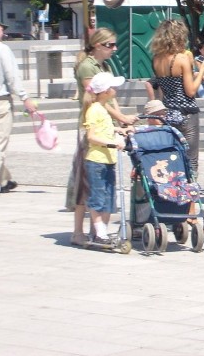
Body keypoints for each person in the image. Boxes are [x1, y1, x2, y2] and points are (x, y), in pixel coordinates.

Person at [68, 28, 137, 246]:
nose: (114, 49)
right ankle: (79, 232)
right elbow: (99, 101)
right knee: (85, 184)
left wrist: (121, 121)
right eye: (109, 45)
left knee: (99, 186)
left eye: (115, 45)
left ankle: (97, 231)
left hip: (104, 128)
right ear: (97, 45)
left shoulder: (103, 66)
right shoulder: (88, 66)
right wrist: (121, 119)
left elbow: (110, 99)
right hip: (92, 128)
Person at [150, 19, 204, 179]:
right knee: (190, 163)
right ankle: (190, 200)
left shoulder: (156, 59)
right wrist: (203, 71)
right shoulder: (181, 59)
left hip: (168, 113)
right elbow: (190, 91)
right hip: (187, 113)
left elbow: (163, 89)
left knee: (172, 160)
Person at [0, 18, 37, 199]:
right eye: (1, 29)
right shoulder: (2, 49)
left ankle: (4, 180)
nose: (3, 33)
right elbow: (12, 76)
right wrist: (25, 97)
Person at [83, 72, 128, 244]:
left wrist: (119, 131)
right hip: (97, 160)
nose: (115, 89)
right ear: (105, 91)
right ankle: (100, 233)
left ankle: (102, 232)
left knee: (109, 197)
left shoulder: (102, 109)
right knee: (98, 197)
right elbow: (92, 137)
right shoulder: (94, 110)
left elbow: (105, 130)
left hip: (108, 160)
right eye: (112, 87)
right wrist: (111, 144)